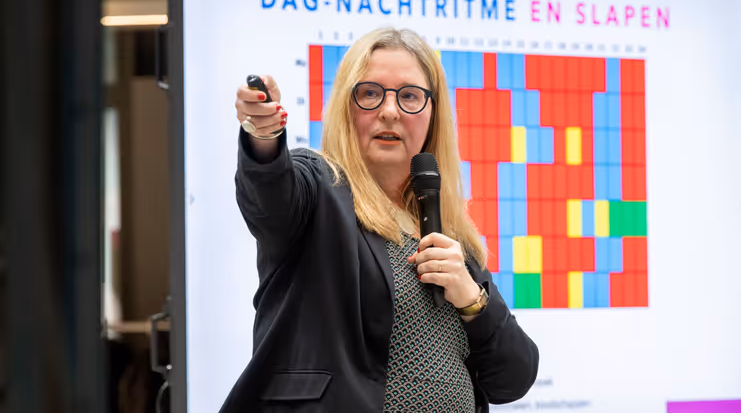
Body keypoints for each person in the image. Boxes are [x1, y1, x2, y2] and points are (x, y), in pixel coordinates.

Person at [222, 27, 539, 413]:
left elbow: (514, 379)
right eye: (370, 93)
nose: (389, 110)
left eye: (409, 96)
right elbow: (269, 196)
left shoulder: (449, 235)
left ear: (432, 115)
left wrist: (472, 299)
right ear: (346, 106)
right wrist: (264, 135)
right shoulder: (319, 187)